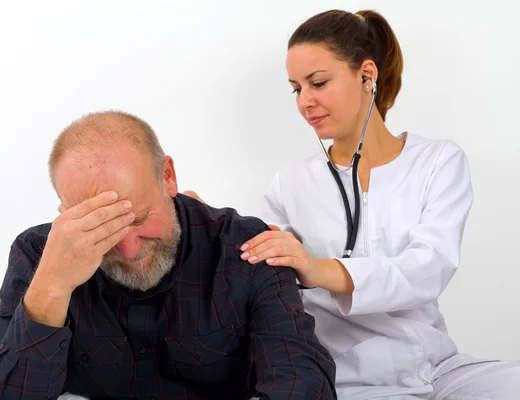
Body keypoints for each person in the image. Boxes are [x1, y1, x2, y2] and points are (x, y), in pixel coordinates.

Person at [186, 8, 519, 400]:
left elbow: (428, 268)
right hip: (350, 381)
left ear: (367, 75)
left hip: (438, 369)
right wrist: (208, 226)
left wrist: (316, 268)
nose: (305, 101)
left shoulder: (438, 160)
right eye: (296, 88)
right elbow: (262, 266)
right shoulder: (291, 184)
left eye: (318, 82)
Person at [0, 111, 337, 400]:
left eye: (141, 218)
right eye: (103, 230)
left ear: (168, 176)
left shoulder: (244, 247)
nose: (128, 250)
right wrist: (51, 288)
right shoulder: (37, 256)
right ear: (66, 212)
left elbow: (304, 383)